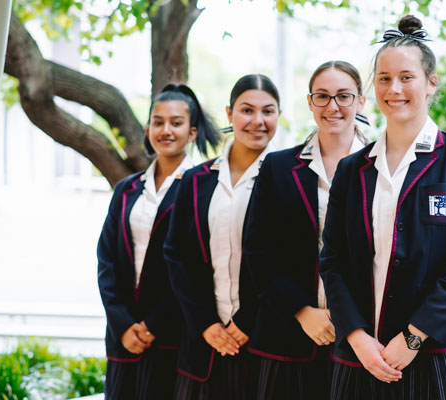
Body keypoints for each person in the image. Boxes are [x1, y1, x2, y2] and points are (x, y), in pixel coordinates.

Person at [319, 15, 446, 399]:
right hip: (364, 356)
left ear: (431, 84)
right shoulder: (352, 169)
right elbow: (333, 260)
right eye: (383, 78)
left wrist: (412, 338)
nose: (394, 88)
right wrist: (356, 336)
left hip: (438, 354)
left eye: (406, 77)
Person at [243, 61, 368, 400]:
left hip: (365, 337)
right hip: (288, 335)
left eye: (344, 96)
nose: (333, 106)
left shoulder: (382, 167)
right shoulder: (279, 167)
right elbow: (258, 251)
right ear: (310, 102)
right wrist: (301, 310)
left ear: (362, 101)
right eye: (322, 96)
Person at [97, 83, 220, 400]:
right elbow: (107, 260)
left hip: (174, 335)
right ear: (149, 127)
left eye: (176, 123)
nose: (166, 130)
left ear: (192, 132)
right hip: (123, 338)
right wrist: (123, 324)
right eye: (158, 121)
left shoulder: (203, 188)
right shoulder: (127, 188)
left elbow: (191, 268)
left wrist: (153, 324)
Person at [164, 74, 281, 400]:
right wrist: (206, 324)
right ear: (229, 113)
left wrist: (245, 321)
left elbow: (289, 261)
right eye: (247, 110)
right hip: (203, 344)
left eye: (268, 111)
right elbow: (176, 255)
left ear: (278, 116)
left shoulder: (287, 179)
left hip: (265, 341)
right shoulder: (195, 180)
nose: (257, 121)